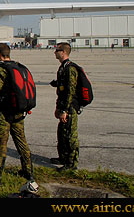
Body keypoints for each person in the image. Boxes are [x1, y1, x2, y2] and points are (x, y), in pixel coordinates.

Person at [0, 43, 34, 185]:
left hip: (5, 111)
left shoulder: (1, 69)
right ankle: (28, 171)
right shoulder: (19, 66)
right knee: (21, 141)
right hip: (19, 111)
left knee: (0, 143)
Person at [50, 42, 80, 171]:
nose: (55, 52)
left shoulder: (70, 68)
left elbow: (70, 92)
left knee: (70, 136)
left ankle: (72, 163)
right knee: (62, 134)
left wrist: (65, 110)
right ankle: (63, 157)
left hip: (70, 108)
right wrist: (58, 108)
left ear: (63, 52)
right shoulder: (63, 67)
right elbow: (61, 91)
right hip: (63, 106)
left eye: (57, 50)